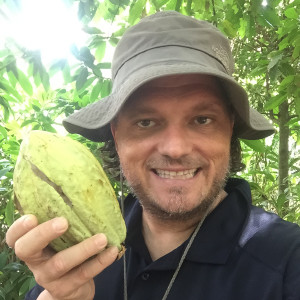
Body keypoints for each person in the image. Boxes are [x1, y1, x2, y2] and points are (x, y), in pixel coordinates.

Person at [6, 11, 300, 300]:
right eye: (146, 122)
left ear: (229, 129)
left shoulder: (287, 262)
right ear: (116, 135)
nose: (175, 148)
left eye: (202, 119)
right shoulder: (77, 243)